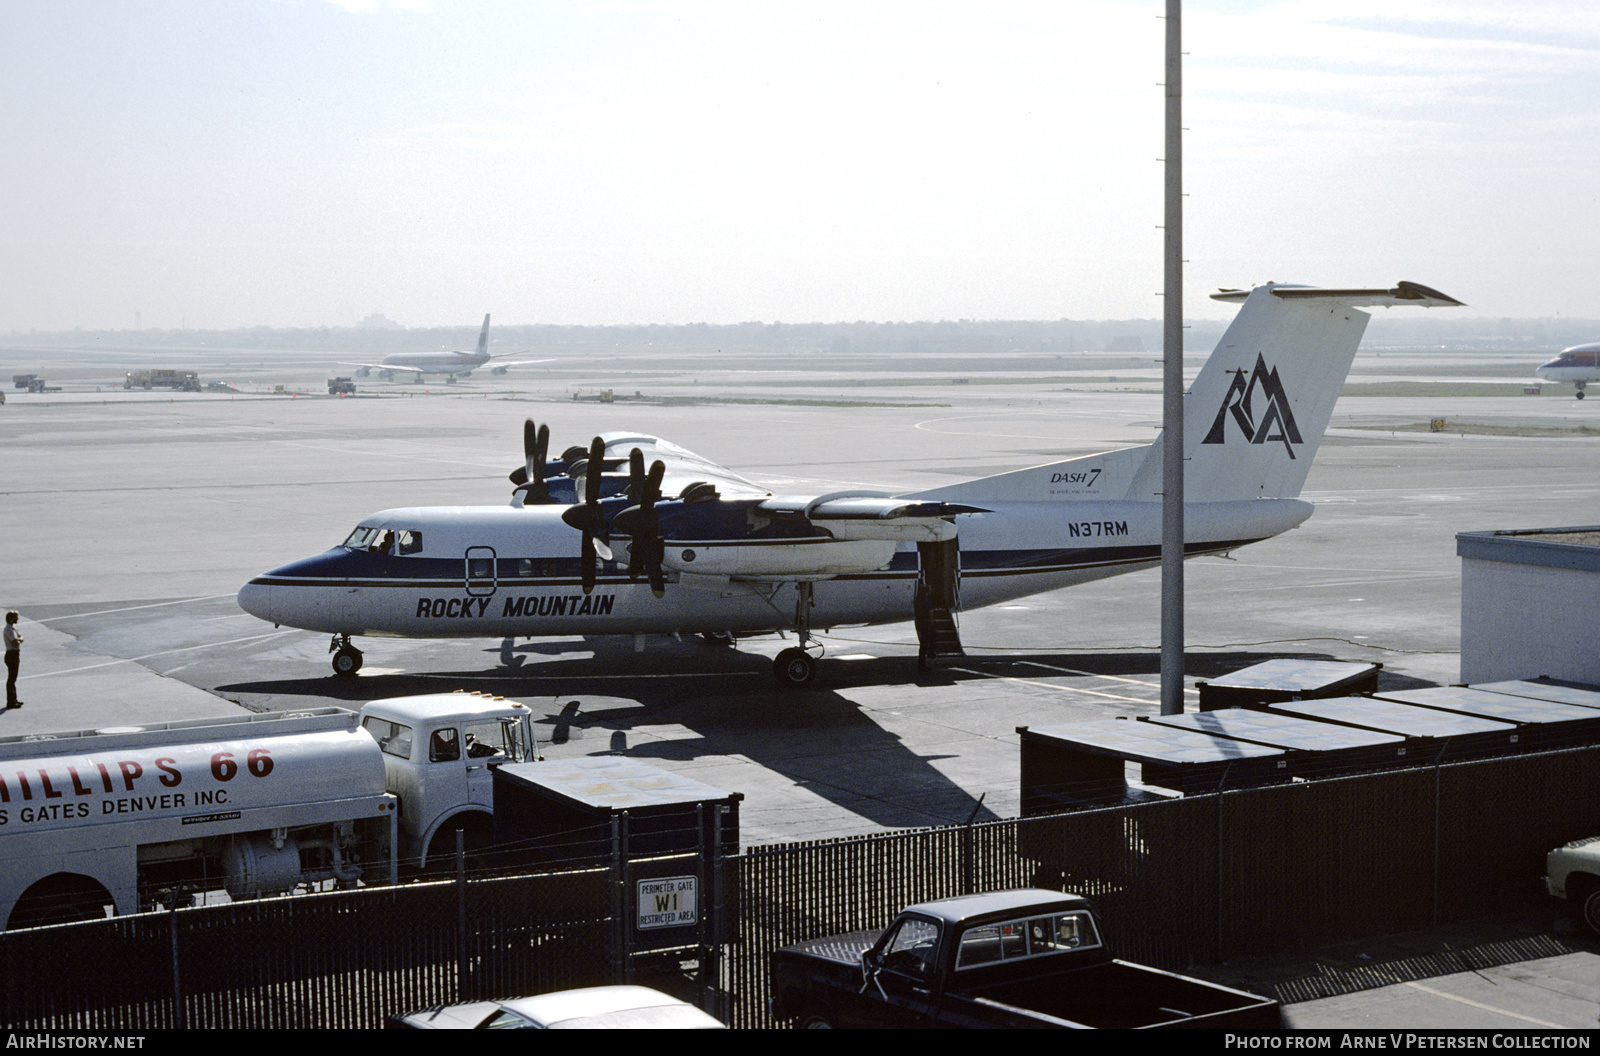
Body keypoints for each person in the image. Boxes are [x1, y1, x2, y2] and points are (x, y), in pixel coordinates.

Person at [3, 611, 21, 709]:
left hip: (14, 654)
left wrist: (19, 639)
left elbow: (20, 637)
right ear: (11, 618)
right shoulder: (9, 630)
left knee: (13, 679)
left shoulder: (13, 628)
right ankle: (10, 702)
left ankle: (14, 699)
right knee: (11, 679)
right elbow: (15, 642)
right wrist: (20, 639)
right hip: (12, 655)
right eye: (15, 617)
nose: (17, 619)